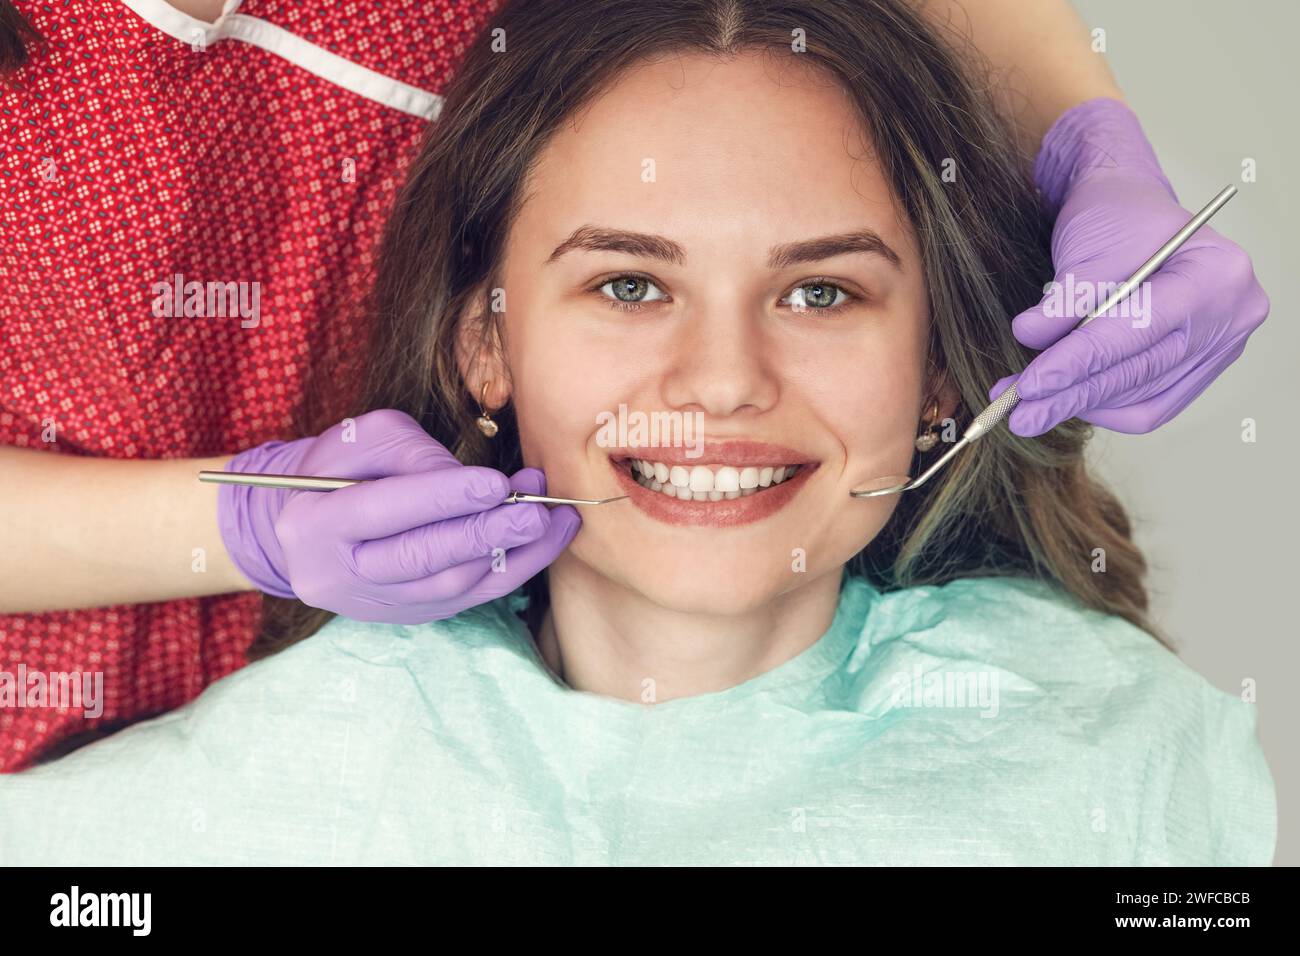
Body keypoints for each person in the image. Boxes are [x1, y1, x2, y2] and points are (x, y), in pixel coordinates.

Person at [0, 0, 1273, 865]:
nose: (720, 382)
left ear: (943, 368)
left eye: (820, 291)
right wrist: (228, 523)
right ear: (479, 341)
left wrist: (1081, 126)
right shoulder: (211, 809)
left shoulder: (1118, 764)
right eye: (628, 283)